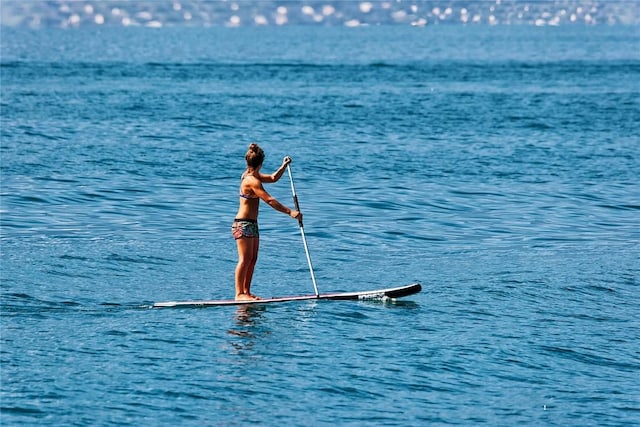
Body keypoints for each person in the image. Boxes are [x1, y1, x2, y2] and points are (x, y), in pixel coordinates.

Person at [232, 143, 302, 301]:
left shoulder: (254, 176)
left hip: (252, 224)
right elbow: (269, 200)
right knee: (244, 259)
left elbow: (272, 178)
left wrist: (283, 166)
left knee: (253, 259)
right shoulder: (250, 181)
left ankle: (247, 292)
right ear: (261, 163)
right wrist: (290, 212)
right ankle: (239, 294)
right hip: (242, 224)